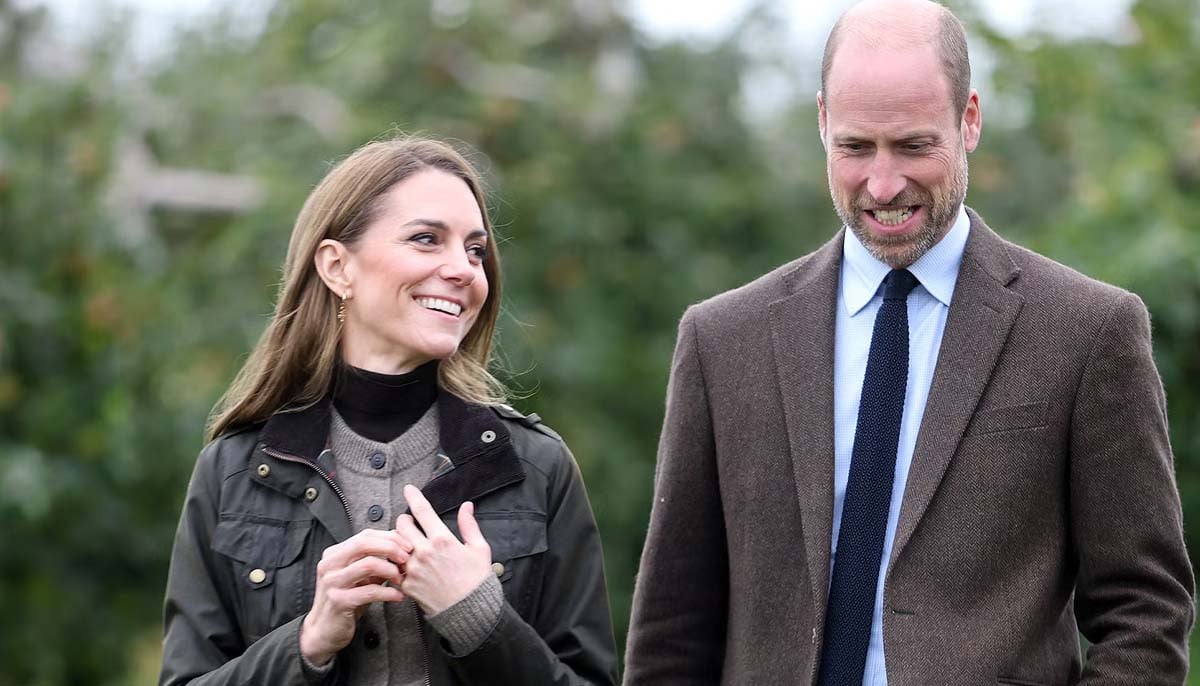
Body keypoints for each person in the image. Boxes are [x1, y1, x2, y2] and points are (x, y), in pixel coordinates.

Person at [623, 0, 1194, 683]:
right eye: (856, 147)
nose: (884, 183)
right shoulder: (722, 341)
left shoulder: (1088, 332)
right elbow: (671, 633)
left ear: (970, 120)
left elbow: (1145, 612)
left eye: (914, 146)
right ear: (822, 123)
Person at [160, 136, 617, 685]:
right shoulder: (232, 472)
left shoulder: (537, 468)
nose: (464, 270)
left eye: (475, 250)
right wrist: (308, 643)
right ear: (337, 267)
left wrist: (480, 620)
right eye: (427, 240)